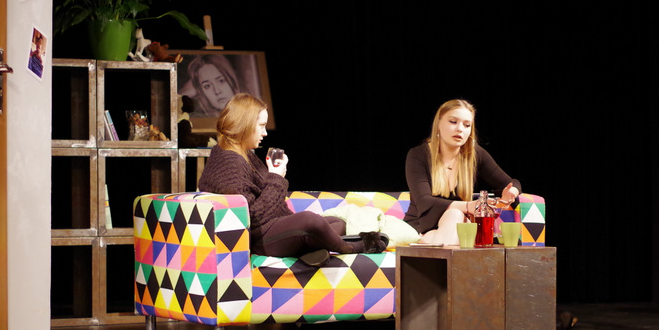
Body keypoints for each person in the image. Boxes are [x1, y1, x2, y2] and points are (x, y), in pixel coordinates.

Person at [198, 93, 385, 265]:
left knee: (336, 222)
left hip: (270, 228)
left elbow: (263, 200)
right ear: (245, 124)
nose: (265, 133)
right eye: (261, 126)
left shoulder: (242, 154)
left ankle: (309, 248)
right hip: (258, 237)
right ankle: (350, 247)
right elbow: (251, 218)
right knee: (310, 221)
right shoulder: (230, 162)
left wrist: (273, 177)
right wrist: (276, 177)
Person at [404, 99, 521, 245]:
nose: (460, 129)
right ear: (438, 124)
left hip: (457, 227)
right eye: (453, 122)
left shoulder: (474, 154)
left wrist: (511, 192)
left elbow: (511, 183)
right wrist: (468, 206)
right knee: (456, 216)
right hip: (421, 229)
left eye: (467, 125)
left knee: (458, 218)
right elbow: (424, 201)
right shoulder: (418, 155)